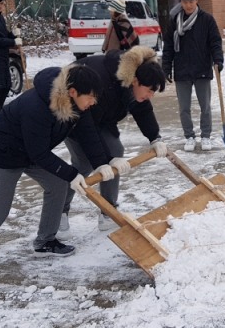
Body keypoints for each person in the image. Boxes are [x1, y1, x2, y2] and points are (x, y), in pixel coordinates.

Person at [0, 63, 111, 276]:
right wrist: (71, 173)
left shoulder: (76, 106)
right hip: (1, 154)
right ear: (73, 92)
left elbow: (88, 133)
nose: (94, 102)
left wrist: (102, 162)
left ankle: (45, 241)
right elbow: (39, 154)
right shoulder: (37, 107)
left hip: (30, 150)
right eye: (91, 97)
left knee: (58, 184)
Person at [59, 46, 168, 235]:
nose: (150, 96)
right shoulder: (102, 80)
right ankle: (59, 212)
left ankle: (107, 211)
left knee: (115, 152)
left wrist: (154, 137)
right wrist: (102, 161)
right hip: (73, 115)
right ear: (135, 81)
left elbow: (142, 110)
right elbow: (86, 128)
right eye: (149, 91)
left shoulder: (132, 79)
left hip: (100, 117)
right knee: (83, 165)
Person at [161, 0, 224, 152]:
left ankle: (205, 136)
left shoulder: (207, 20)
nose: (188, 5)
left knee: (205, 106)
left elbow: (215, 42)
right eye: (184, 2)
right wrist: (166, 67)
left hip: (202, 68)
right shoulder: (175, 20)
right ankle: (189, 136)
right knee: (184, 108)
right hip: (182, 70)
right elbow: (168, 45)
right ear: (180, 2)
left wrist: (218, 60)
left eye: (191, 1)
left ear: (197, 0)